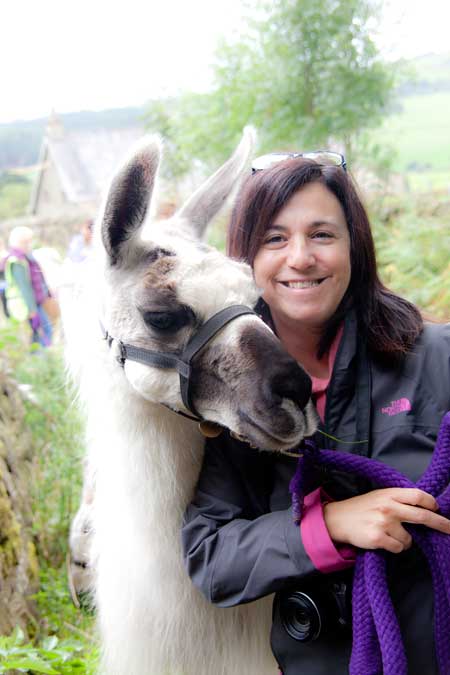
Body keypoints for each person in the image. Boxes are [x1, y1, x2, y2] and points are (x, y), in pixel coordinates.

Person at [181, 151, 450, 675]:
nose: (300, 258)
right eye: (275, 239)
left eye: (322, 235)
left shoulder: (437, 360)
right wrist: (326, 526)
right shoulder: (234, 403)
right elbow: (211, 558)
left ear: (355, 247)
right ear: (247, 259)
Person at [4, 226, 53, 347]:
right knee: (41, 333)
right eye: (27, 241)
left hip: (34, 304)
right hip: (25, 307)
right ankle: (40, 359)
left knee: (38, 334)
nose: (30, 244)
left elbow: (38, 278)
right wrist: (32, 311)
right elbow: (24, 287)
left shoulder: (26, 256)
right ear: (20, 242)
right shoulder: (16, 261)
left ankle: (41, 358)